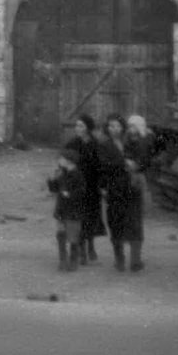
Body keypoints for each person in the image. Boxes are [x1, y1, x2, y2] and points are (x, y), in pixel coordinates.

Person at [98, 113, 148, 272]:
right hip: (115, 189)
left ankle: (135, 261)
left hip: (132, 188)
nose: (114, 129)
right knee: (115, 223)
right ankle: (119, 258)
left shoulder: (131, 142)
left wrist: (136, 165)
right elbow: (103, 165)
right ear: (107, 128)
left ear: (122, 127)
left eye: (118, 126)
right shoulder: (103, 145)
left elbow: (143, 160)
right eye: (111, 126)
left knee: (134, 223)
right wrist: (123, 163)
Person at [63, 114, 106, 264]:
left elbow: (101, 166)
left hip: (92, 186)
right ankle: (82, 250)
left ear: (88, 128)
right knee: (79, 217)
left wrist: (102, 185)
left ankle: (91, 247)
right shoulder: (72, 144)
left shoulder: (96, 144)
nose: (77, 128)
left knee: (92, 217)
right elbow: (65, 164)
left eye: (81, 126)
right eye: (76, 125)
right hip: (77, 186)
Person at [47, 147, 87, 272]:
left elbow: (82, 191)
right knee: (61, 234)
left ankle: (73, 260)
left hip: (73, 210)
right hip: (61, 209)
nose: (59, 160)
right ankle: (62, 260)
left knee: (73, 237)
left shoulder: (78, 175)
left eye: (62, 158)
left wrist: (70, 194)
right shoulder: (61, 173)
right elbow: (53, 189)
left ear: (70, 161)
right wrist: (52, 179)